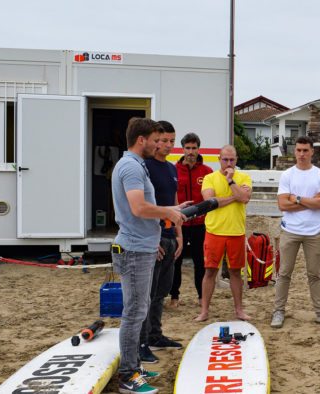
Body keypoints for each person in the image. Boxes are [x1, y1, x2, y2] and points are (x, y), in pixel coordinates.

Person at [111, 117, 185, 394]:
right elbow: (139, 208)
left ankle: (134, 366)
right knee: (134, 313)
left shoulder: (134, 164)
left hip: (141, 245)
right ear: (141, 140)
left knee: (138, 310)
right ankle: (127, 376)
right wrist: (167, 212)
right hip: (133, 249)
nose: (159, 144)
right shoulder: (131, 166)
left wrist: (173, 208)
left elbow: (143, 209)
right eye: (156, 139)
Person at [271, 136, 320, 328]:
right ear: (295, 151)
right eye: (298, 150)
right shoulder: (287, 175)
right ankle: (278, 311)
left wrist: (298, 198)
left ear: (312, 152)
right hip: (290, 231)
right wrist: (310, 202)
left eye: (305, 150)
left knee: (314, 274)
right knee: (284, 273)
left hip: (314, 232)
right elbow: (282, 204)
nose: (301, 154)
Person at [138, 121, 183, 365]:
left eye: (171, 141)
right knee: (147, 293)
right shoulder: (145, 167)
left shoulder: (171, 169)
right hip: (152, 237)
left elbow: (173, 202)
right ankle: (143, 341)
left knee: (161, 292)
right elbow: (143, 206)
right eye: (164, 140)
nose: (167, 145)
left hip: (169, 237)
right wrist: (150, 238)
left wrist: (179, 235)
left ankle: (156, 335)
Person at [194, 145, 252, 322]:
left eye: (232, 160)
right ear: (219, 159)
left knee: (236, 272)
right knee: (210, 271)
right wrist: (236, 196)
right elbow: (210, 202)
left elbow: (245, 199)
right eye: (225, 159)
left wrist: (230, 181)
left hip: (236, 231)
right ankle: (204, 311)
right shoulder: (210, 178)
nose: (228, 163)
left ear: (236, 160)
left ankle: (239, 310)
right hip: (214, 231)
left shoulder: (244, 177)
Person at [170, 132, 213, 308]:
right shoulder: (173, 169)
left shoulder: (207, 171)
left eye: (194, 148)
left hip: (200, 225)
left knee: (200, 262)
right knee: (175, 261)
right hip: (179, 224)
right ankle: (174, 297)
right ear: (182, 149)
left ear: (198, 149)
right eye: (187, 148)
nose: (191, 151)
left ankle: (201, 297)